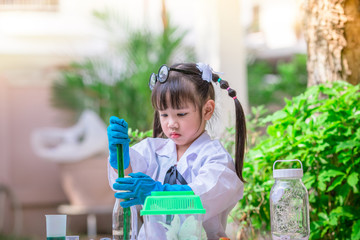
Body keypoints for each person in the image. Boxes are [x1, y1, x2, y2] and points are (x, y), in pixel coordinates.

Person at [107, 62, 247, 239]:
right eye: (164, 114)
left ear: (207, 110)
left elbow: (202, 196)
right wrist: (119, 157)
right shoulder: (152, 149)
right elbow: (125, 183)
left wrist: (158, 192)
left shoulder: (216, 160)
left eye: (181, 114)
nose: (171, 123)